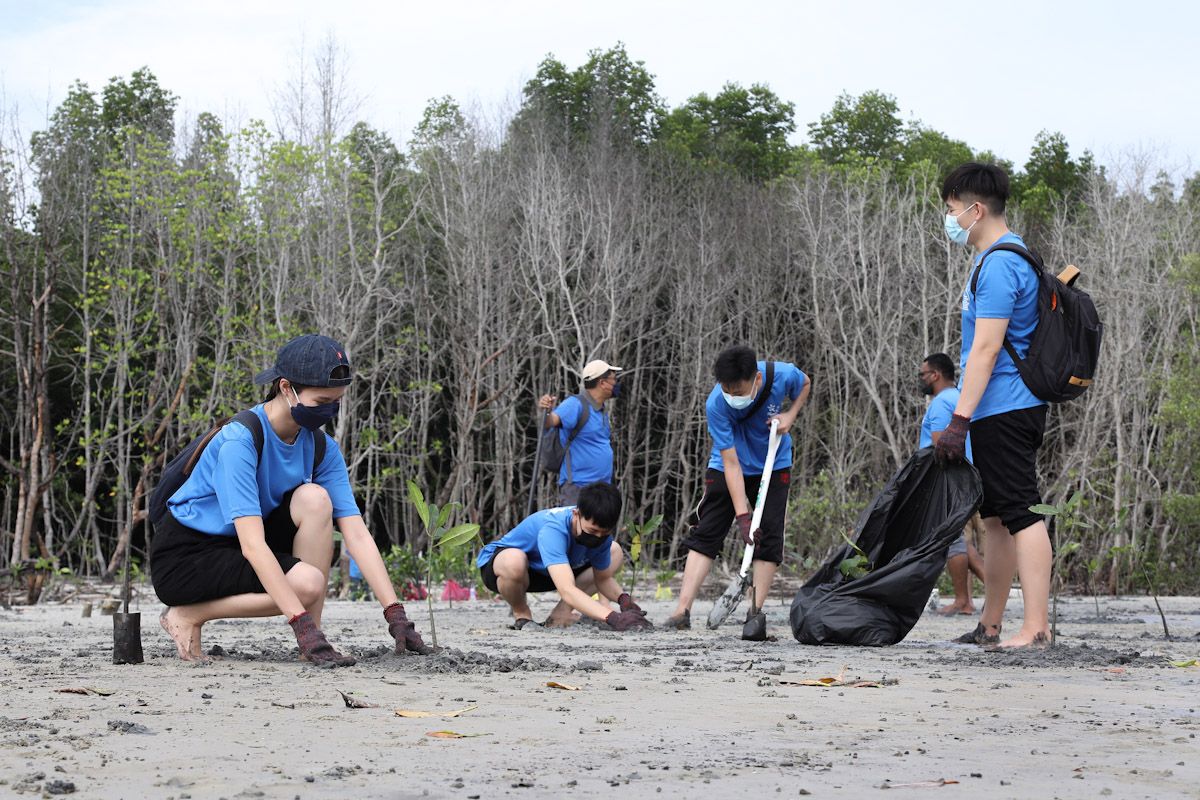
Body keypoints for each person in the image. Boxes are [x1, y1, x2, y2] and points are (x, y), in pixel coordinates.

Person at [151, 334, 432, 665]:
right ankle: (187, 615)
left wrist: (396, 614)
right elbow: (253, 545)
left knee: (315, 499)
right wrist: (301, 625)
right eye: (321, 401)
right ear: (286, 388)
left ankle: (313, 644)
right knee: (308, 583)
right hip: (187, 557)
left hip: (237, 547)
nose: (328, 410)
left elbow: (356, 533)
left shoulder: (320, 448)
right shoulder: (239, 442)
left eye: (336, 402)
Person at [936, 162, 1053, 649]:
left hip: (1006, 406)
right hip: (996, 408)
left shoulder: (1003, 263)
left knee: (1022, 512)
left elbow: (985, 349)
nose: (949, 219)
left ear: (975, 209)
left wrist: (958, 419)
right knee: (996, 519)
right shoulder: (1001, 257)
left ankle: (1037, 627)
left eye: (951, 210)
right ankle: (991, 624)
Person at [664, 345, 811, 640]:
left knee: (768, 536)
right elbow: (731, 463)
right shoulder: (716, 404)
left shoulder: (781, 375)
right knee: (707, 531)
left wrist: (790, 414)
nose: (733, 396)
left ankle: (755, 614)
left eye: (739, 390)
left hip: (774, 461)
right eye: (726, 388)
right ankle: (681, 612)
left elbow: (805, 383)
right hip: (727, 465)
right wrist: (743, 516)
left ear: (756, 379)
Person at [476, 481, 651, 632]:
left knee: (615, 550)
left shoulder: (601, 536)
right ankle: (522, 615)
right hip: (509, 570)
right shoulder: (554, 528)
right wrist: (613, 618)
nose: (598, 537)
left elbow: (602, 579)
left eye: (604, 532)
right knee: (514, 560)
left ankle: (559, 615)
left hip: (553, 572)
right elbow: (566, 589)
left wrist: (624, 601)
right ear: (576, 514)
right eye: (592, 531)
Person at [918, 352, 985, 615]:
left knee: (954, 541)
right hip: (974, 478)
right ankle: (972, 600)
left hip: (952, 482)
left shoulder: (939, 404)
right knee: (968, 544)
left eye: (922, 374)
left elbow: (940, 446)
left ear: (935, 375)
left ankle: (961, 600)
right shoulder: (962, 399)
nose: (921, 379)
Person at [538, 360, 622, 505]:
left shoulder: (601, 410)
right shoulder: (575, 404)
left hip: (602, 490)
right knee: (578, 528)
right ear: (602, 383)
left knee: (599, 528)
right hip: (579, 489)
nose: (616, 384)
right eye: (613, 379)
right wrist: (545, 411)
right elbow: (550, 421)